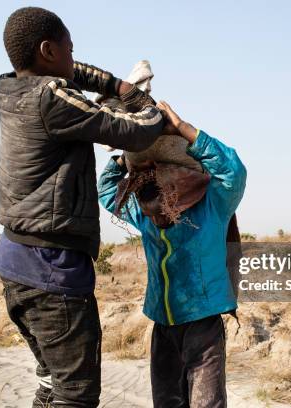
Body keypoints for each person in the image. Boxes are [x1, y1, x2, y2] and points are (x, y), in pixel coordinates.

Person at [0, 7, 165, 408]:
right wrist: (148, 106)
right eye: (69, 49)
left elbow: (73, 73)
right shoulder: (52, 98)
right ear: (48, 51)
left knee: (53, 384)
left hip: (16, 262)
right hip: (53, 270)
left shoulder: (10, 89)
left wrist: (120, 86)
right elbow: (133, 132)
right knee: (76, 395)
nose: (74, 58)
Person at [98, 101, 247, 408]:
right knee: (166, 402)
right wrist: (123, 155)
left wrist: (184, 130)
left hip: (203, 325)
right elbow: (106, 191)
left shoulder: (212, 206)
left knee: (206, 403)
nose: (157, 190)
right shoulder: (145, 215)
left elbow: (234, 172)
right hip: (163, 326)